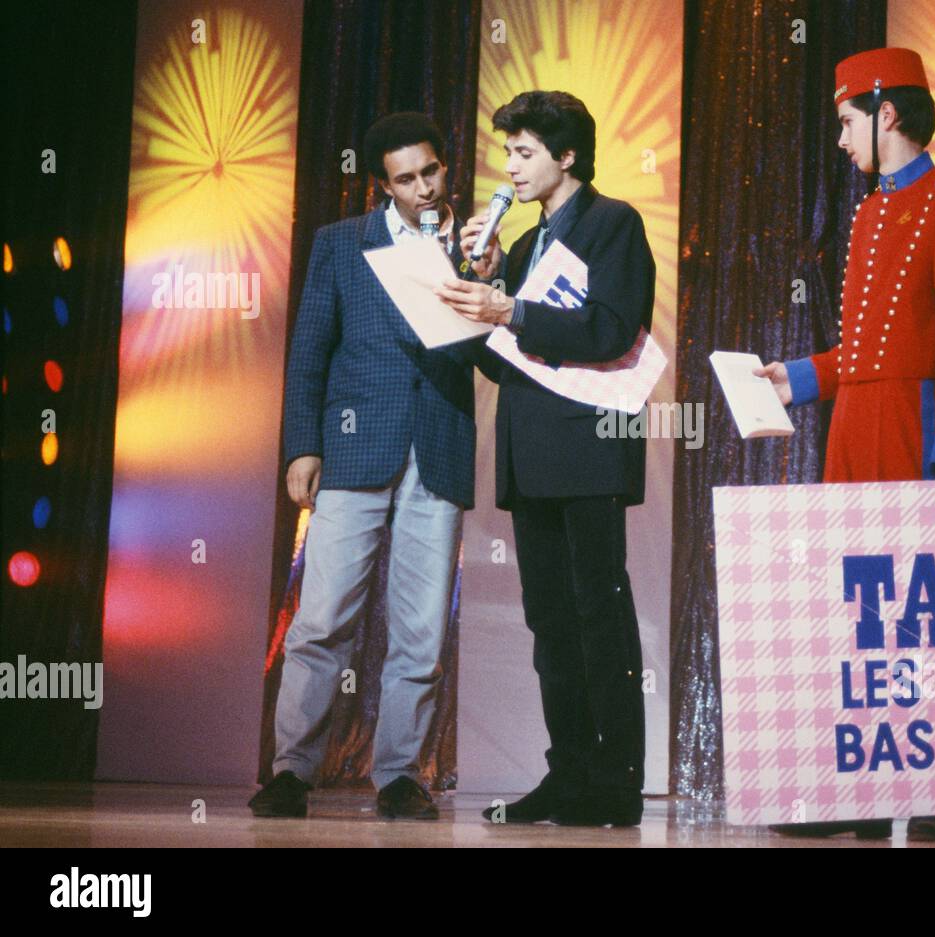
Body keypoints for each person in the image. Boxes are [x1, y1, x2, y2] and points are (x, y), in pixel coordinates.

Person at [755, 48, 935, 842]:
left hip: (912, 425)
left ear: (885, 113)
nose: (840, 139)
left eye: (845, 121)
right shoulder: (869, 211)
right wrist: (792, 377)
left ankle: (930, 799)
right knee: (859, 612)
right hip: (854, 427)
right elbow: (864, 353)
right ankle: (859, 795)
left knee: (920, 615)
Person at [250, 112, 497, 820]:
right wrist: (303, 445)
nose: (423, 187)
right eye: (406, 178)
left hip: (438, 446)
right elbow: (309, 353)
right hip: (355, 447)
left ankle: (401, 775)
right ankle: (293, 769)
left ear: (447, 168)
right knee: (322, 617)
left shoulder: (476, 247)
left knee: (420, 629)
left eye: (431, 171)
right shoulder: (340, 244)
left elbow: (489, 358)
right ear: (381, 186)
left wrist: (484, 281)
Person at [437, 90, 655, 827]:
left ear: (568, 156)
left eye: (525, 151)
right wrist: (474, 293)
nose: (511, 167)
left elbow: (609, 330)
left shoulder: (612, 224)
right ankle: (567, 773)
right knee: (550, 622)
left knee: (600, 615)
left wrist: (512, 311)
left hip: (589, 452)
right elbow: (506, 363)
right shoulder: (525, 246)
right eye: (507, 152)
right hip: (531, 454)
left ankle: (615, 780)